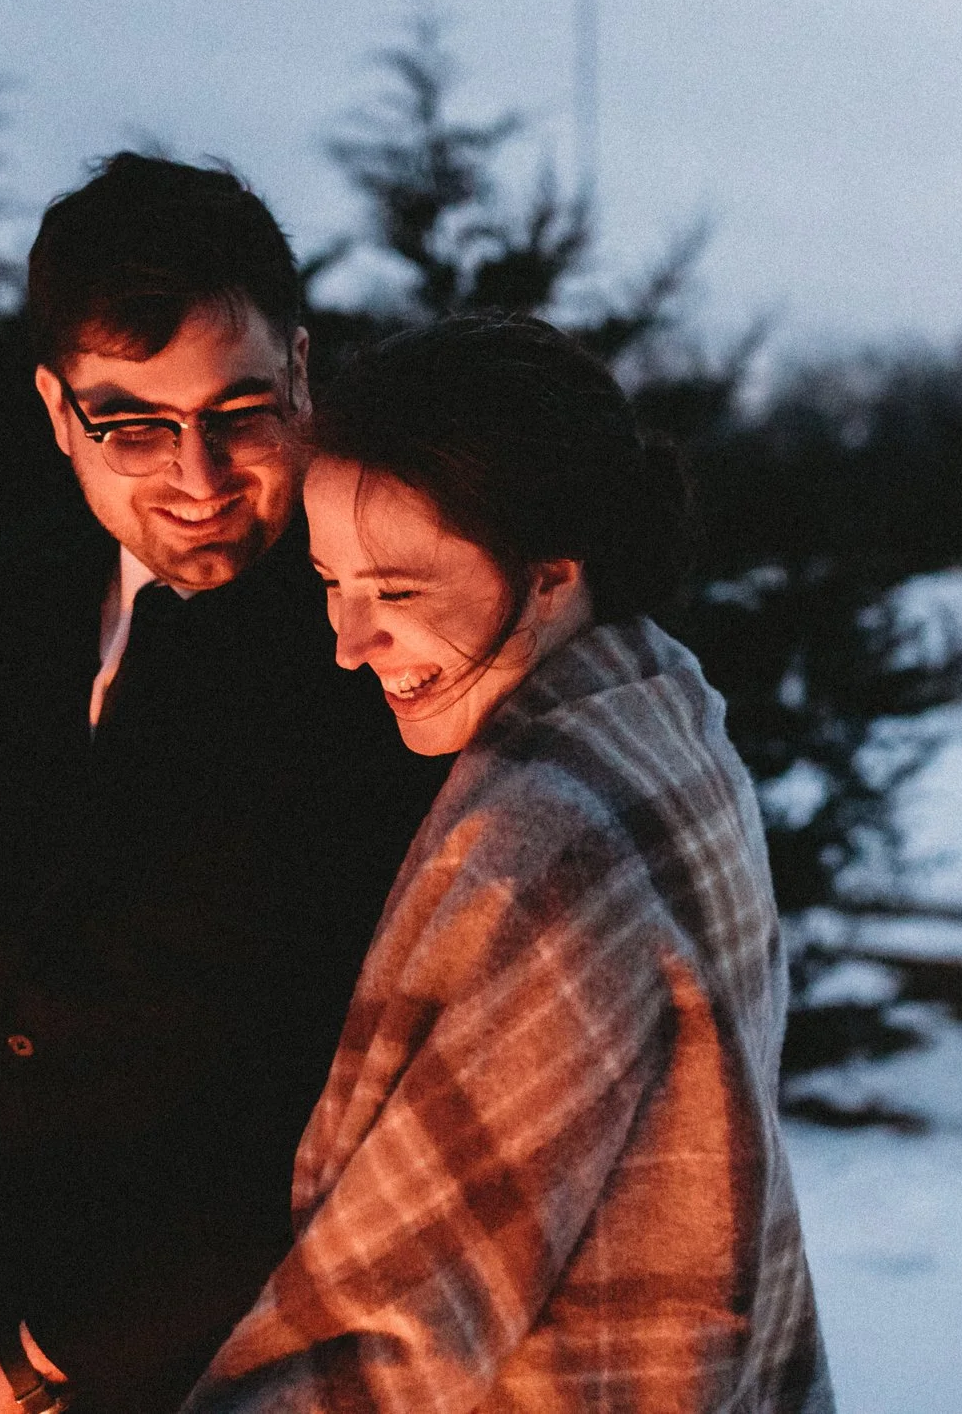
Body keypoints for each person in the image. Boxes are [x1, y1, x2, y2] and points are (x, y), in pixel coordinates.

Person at [0, 154, 449, 1414]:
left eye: (241, 411)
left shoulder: (391, 655)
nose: (197, 476)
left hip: (272, 1361)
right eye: (132, 424)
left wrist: (34, 1369)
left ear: (301, 366)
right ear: (55, 409)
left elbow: (345, 1108)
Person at [188, 315, 833, 1411]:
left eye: (396, 592)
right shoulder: (661, 702)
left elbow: (385, 1335)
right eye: (328, 581)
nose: (349, 641)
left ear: (547, 577)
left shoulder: (538, 852)